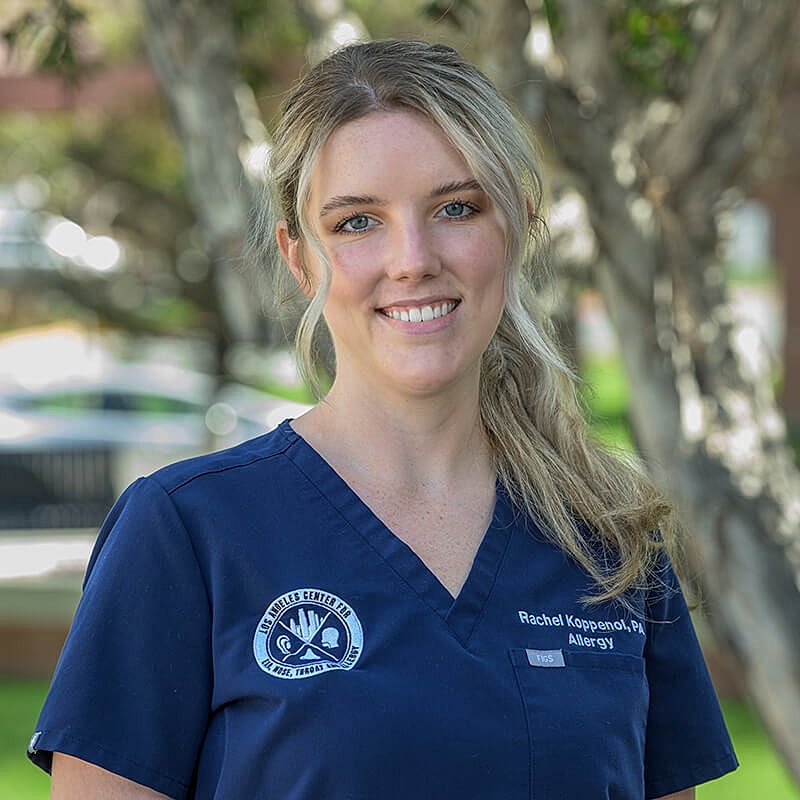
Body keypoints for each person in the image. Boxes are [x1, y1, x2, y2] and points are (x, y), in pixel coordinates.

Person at [29, 39, 737, 799]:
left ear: (518, 230)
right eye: (357, 222)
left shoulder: (608, 538)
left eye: (455, 208)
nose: (412, 259)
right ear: (299, 259)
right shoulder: (186, 531)